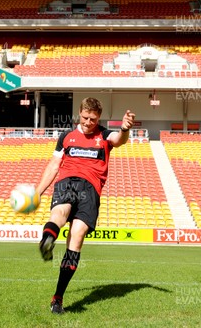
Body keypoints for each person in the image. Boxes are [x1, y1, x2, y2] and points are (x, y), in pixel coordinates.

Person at [35, 97, 135, 314]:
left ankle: (58, 298)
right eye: (85, 117)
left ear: (99, 118)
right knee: (60, 212)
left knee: (77, 236)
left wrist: (125, 128)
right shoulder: (66, 137)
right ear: (79, 114)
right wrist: (37, 192)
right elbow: (53, 166)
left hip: (90, 188)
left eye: (93, 119)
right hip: (67, 181)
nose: (89, 122)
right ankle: (48, 239)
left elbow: (119, 140)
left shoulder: (105, 134)